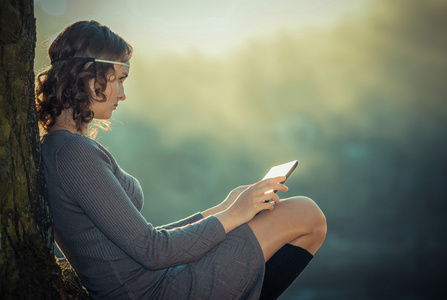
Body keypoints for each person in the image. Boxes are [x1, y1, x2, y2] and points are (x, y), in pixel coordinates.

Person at [36, 20, 327, 300]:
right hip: (154, 291)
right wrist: (234, 214)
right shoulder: (72, 153)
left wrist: (225, 207)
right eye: (120, 79)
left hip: (155, 281)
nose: (123, 94)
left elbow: (147, 241)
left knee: (299, 216)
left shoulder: (63, 147)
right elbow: (153, 250)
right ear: (89, 75)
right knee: (304, 213)